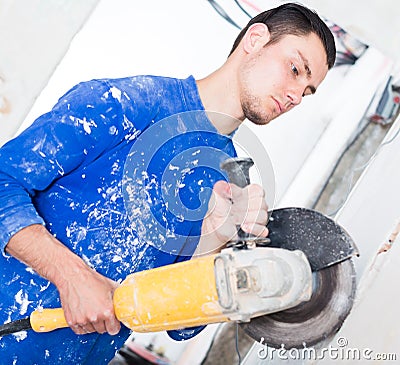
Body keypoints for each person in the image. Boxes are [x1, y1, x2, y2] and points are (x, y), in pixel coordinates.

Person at [0, 2, 335, 364]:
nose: (296, 95)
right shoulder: (127, 104)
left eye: (308, 90)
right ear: (255, 39)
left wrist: (215, 240)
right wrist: (72, 277)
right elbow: (4, 182)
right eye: (295, 69)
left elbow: (181, 327)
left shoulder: (228, 185)